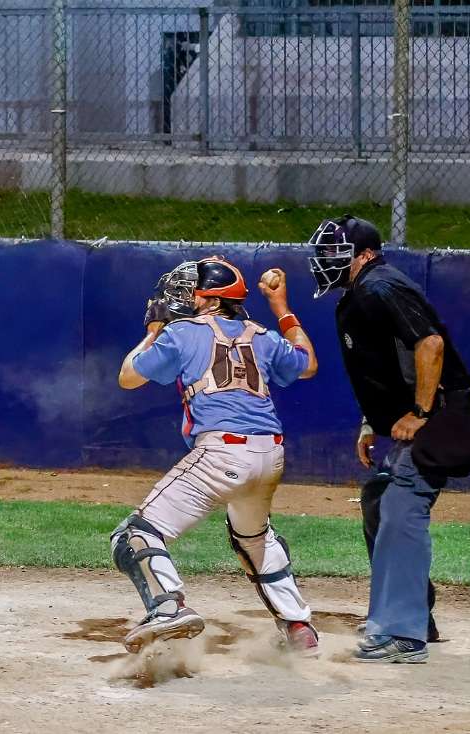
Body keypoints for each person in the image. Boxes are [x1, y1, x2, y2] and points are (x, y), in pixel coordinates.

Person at [111, 256, 321, 655]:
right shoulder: (262, 335)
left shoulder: (181, 332)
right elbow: (308, 363)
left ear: (211, 299)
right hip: (271, 454)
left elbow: (128, 376)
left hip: (222, 454)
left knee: (133, 535)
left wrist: (154, 330)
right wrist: (281, 307)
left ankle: (167, 606)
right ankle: (299, 628)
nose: (186, 299)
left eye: (193, 293)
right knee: (254, 539)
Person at [308, 216, 470, 663]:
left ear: (365, 254)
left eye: (335, 252)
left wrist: (420, 414)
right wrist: (372, 422)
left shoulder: (381, 286)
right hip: (429, 413)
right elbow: (385, 368)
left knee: (402, 504)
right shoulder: (361, 294)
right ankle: (414, 616)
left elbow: (430, 345)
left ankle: (402, 634)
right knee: (379, 500)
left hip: (441, 415)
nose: (324, 260)